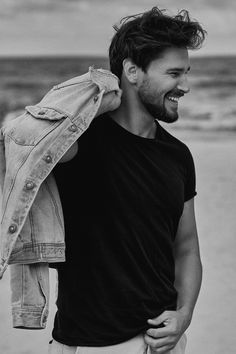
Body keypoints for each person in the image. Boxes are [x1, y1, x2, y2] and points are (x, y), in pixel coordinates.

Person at [48, 7, 206, 354]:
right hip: (93, 344)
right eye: (174, 73)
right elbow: (23, 140)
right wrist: (92, 97)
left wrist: (185, 315)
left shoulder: (177, 154)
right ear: (132, 71)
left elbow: (187, 245)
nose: (185, 86)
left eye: (186, 73)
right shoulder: (78, 144)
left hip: (164, 341)